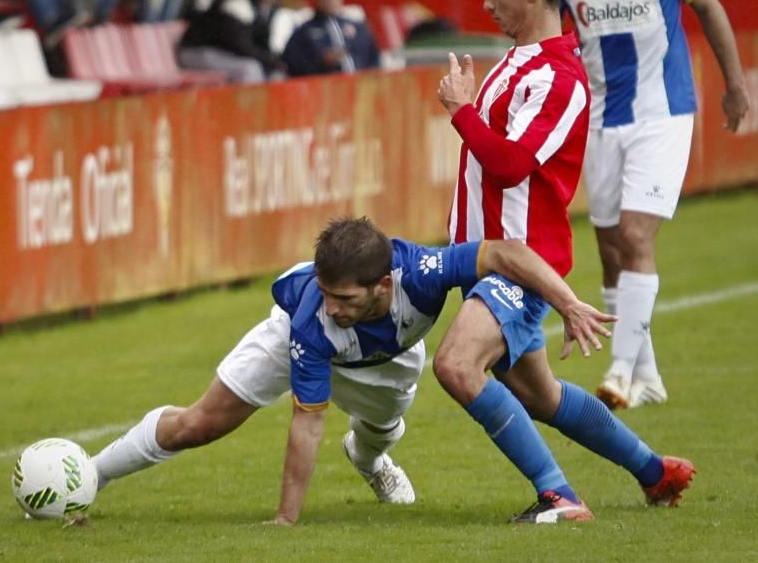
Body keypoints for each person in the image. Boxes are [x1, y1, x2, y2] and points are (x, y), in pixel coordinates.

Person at [92, 216, 614, 526]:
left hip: (387, 362)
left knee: (378, 435)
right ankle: (90, 476)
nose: (332, 305)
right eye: (325, 293)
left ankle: (369, 460)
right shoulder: (312, 320)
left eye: (343, 297)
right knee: (200, 424)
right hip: (295, 346)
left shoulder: (424, 274)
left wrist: (567, 304)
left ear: (384, 286)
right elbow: (307, 420)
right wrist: (286, 520)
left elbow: (504, 252)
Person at [433, 0, 696, 524]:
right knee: (541, 395)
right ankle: (656, 472)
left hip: (520, 264)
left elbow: (510, 166)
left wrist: (461, 111)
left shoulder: (559, 77)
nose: (486, 3)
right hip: (487, 262)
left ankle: (559, 494)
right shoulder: (516, 62)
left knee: (454, 365)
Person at [558, 0, 750, 409]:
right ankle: (650, 376)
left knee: (638, 238)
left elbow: (708, 7)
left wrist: (735, 86)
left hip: (662, 112)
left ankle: (620, 371)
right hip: (599, 118)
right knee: (611, 250)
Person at [178, 0, 285, 83]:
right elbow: (240, 45)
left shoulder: (270, 10)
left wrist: (273, 62)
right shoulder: (238, 1)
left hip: (225, 53)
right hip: (197, 50)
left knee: (276, 73)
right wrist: (269, 60)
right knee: (250, 69)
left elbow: (261, 45)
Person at [282, 0, 379, 77]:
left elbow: (374, 60)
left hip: (361, 88)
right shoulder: (304, 32)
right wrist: (321, 62)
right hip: (324, 89)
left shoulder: (358, 28)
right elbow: (292, 65)